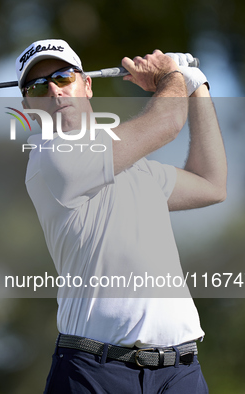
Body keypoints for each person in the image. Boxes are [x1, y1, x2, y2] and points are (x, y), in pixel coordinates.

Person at [15, 39, 227, 393]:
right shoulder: (51, 159)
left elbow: (212, 183)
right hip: (94, 374)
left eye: (64, 77)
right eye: (38, 86)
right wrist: (171, 75)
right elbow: (166, 123)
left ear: (87, 85)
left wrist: (197, 85)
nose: (54, 91)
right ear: (27, 106)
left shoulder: (135, 169)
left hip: (180, 373)